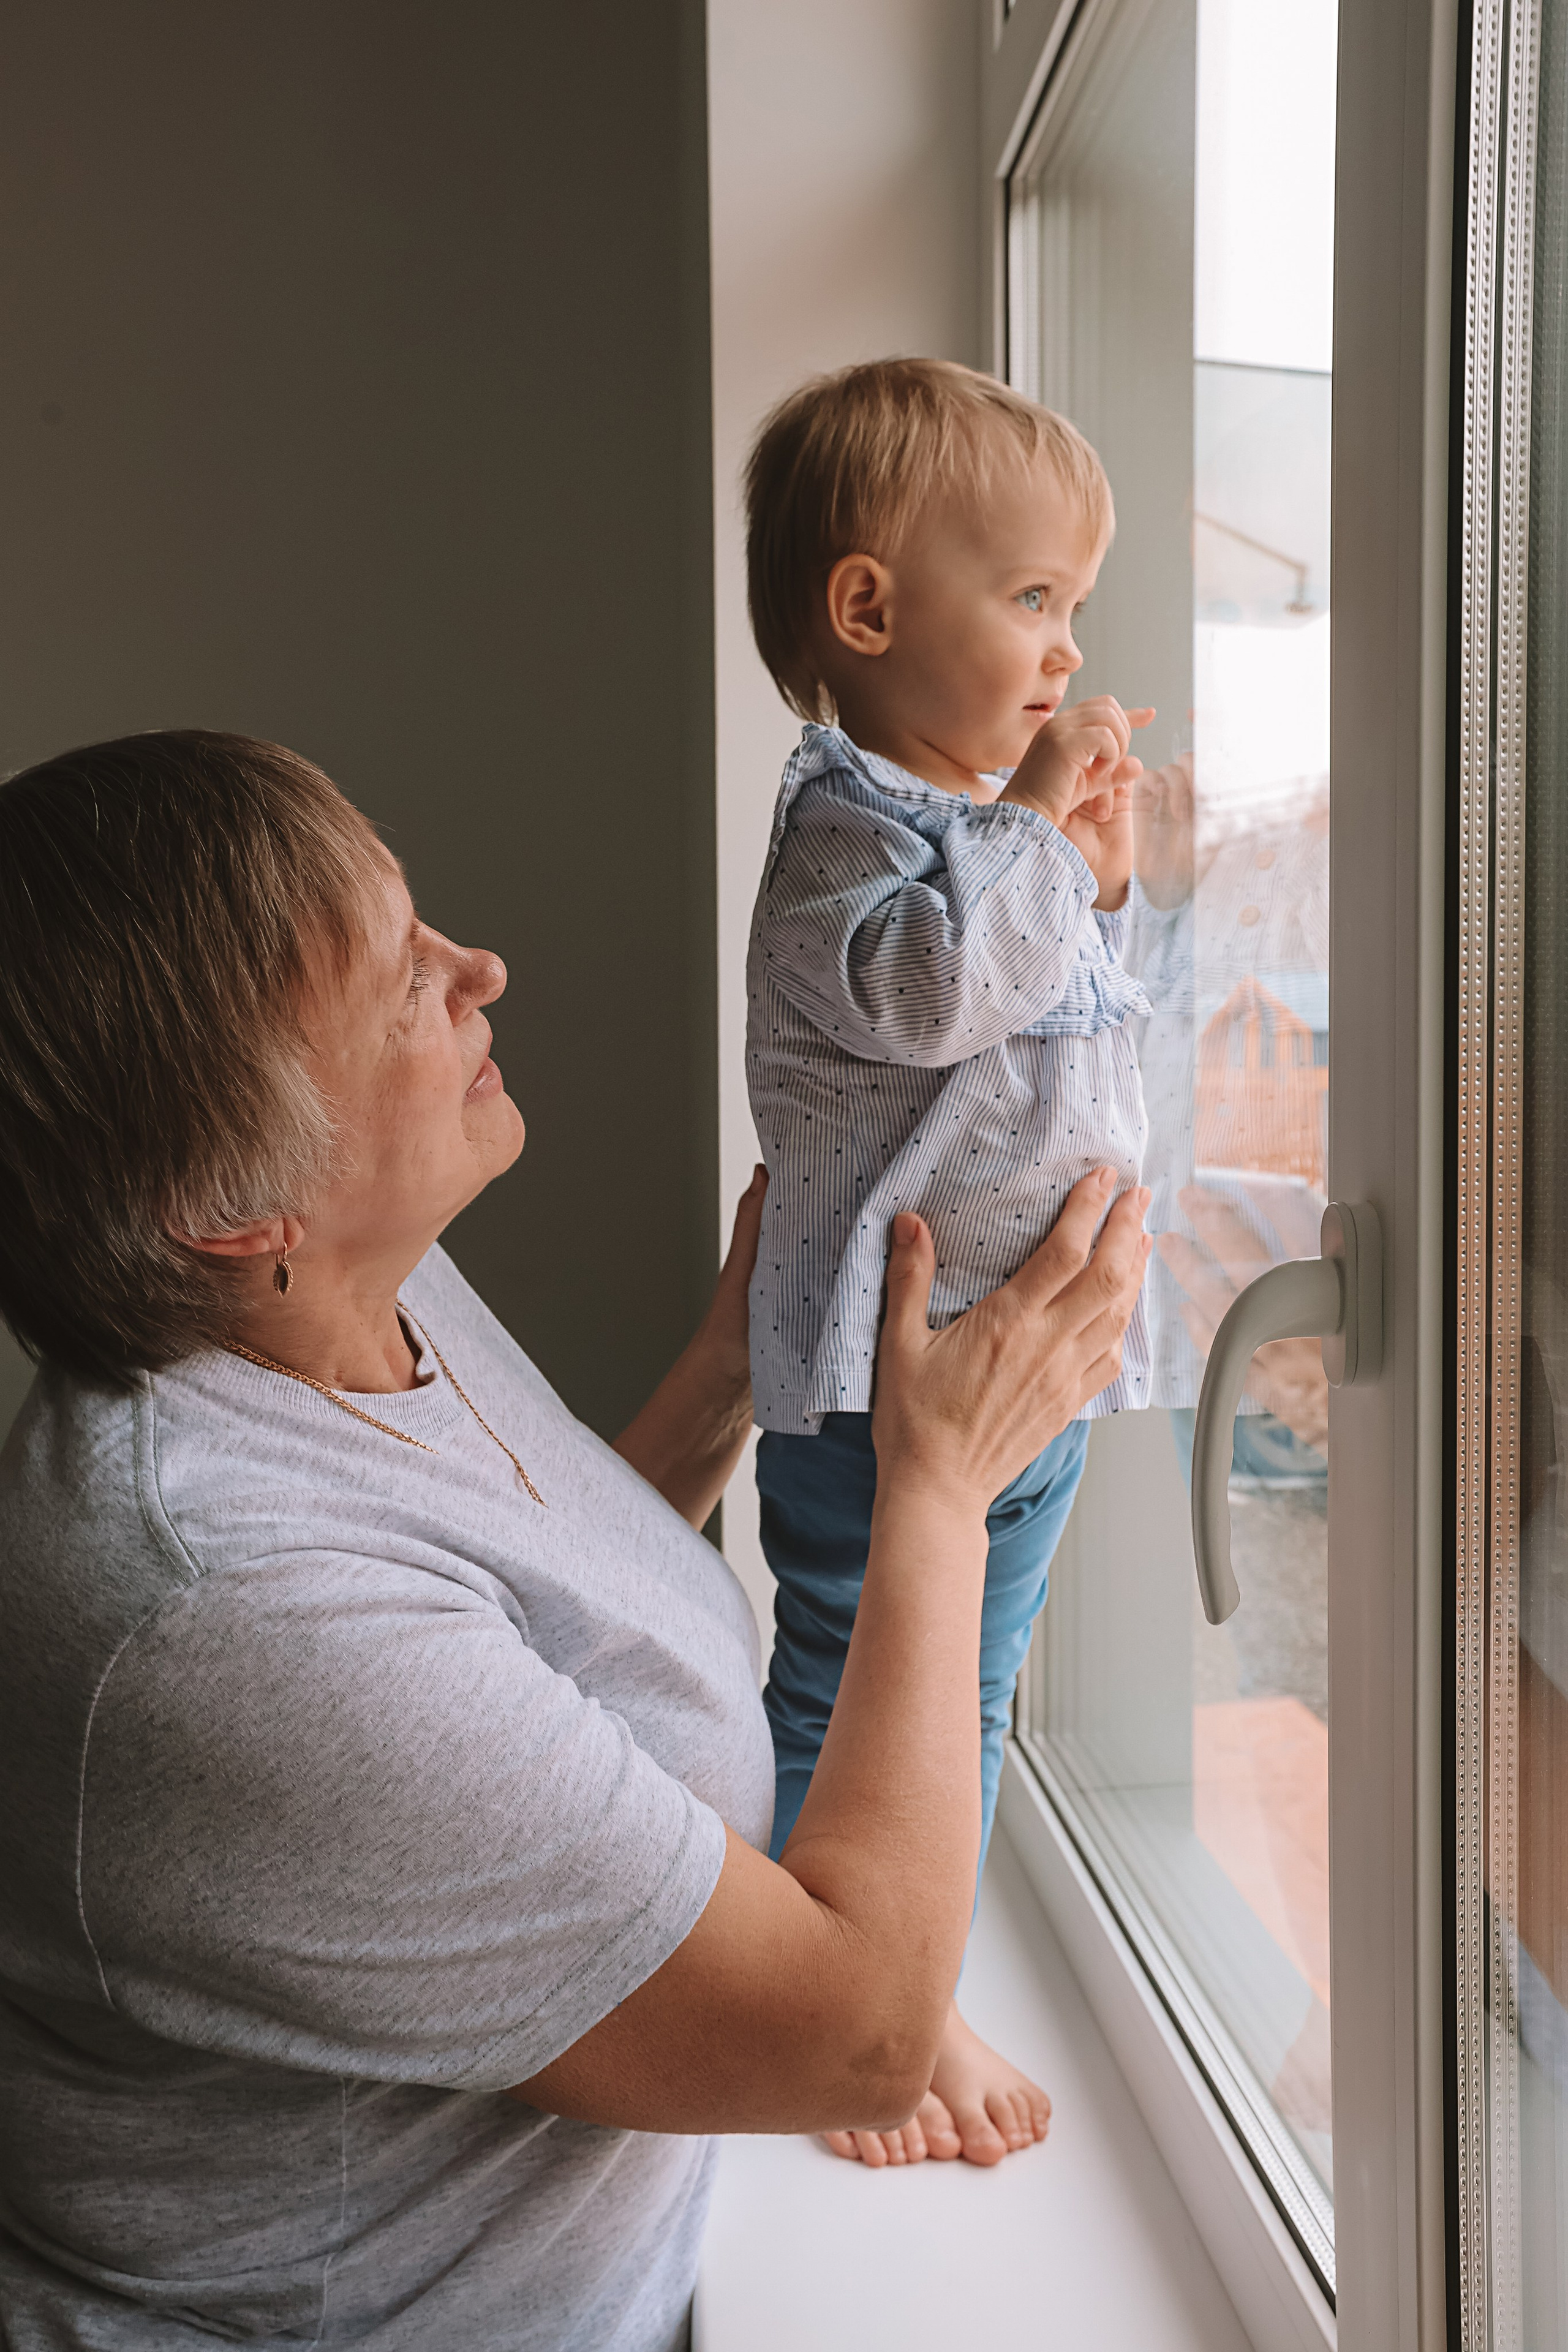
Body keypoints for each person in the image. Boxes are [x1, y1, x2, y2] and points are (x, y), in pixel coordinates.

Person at [0, 731, 1149, 2348]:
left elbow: (509, 1628)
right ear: (230, 1201)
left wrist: (739, 1357)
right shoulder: (218, 1612)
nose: (481, 968)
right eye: (402, 984)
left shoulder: (345, 1298)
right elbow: (862, 2040)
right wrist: (943, 1488)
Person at [741, 357, 1153, 2164]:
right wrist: (1034, 836)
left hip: (1014, 1377)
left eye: (1077, 607)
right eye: (1036, 597)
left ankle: (914, 1978)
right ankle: (830, 1992)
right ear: (868, 609)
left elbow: (1050, 999)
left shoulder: (982, 848)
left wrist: (1097, 872)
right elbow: (935, 992)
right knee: (852, 1676)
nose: (1067, 650)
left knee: (967, 1686)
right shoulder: (849, 834)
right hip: (883, 1388)